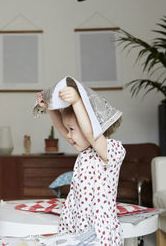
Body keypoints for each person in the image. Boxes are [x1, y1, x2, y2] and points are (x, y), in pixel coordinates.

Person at [36, 76, 125, 245]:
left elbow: (91, 134)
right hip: (77, 225)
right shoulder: (85, 152)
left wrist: (77, 102)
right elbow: (63, 130)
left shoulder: (111, 151)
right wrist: (50, 109)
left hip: (99, 230)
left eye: (72, 130)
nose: (67, 135)